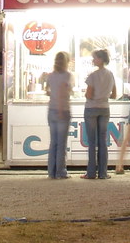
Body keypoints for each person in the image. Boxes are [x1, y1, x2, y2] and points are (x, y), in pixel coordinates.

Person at [81, 49, 116, 180]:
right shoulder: (111, 74)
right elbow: (114, 94)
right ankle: (103, 172)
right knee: (103, 141)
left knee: (92, 142)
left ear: (100, 59)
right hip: (104, 108)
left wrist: (91, 95)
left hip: (91, 109)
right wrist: (103, 96)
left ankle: (90, 173)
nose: (93, 60)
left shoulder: (92, 76)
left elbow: (89, 94)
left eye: (94, 58)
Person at [45, 51, 73, 179]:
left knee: (53, 142)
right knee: (61, 144)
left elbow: (48, 91)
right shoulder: (67, 75)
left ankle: (51, 172)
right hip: (62, 110)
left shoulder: (50, 75)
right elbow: (64, 93)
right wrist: (61, 111)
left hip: (51, 110)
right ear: (67, 62)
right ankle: (61, 172)